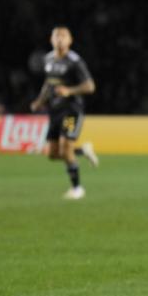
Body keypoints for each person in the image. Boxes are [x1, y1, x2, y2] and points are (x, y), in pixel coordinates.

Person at [30, 26, 99, 199]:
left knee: (66, 147)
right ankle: (82, 151)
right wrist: (39, 101)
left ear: (70, 40)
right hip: (55, 111)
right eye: (57, 36)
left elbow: (90, 86)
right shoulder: (48, 59)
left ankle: (77, 189)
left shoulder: (75, 61)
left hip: (71, 111)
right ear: (51, 40)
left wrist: (70, 91)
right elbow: (48, 83)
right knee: (53, 154)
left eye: (63, 36)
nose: (60, 39)